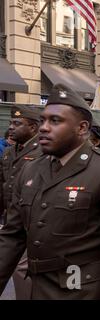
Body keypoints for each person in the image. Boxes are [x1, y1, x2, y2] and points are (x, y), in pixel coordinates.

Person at [0, 83, 100, 299]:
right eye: (43, 120)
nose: (44, 127)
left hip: (82, 292)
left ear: (82, 128)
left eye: (55, 121)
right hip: (37, 290)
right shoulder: (31, 169)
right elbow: (12, 238)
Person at [0, 106, 42, 299]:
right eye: (10, 123)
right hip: (12, 219)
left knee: (21, 269)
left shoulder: (42, 152)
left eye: (17, 124)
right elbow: (4, 185)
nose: (11, 127)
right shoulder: (9, 152)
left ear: (33, 128)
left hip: (34, 220)